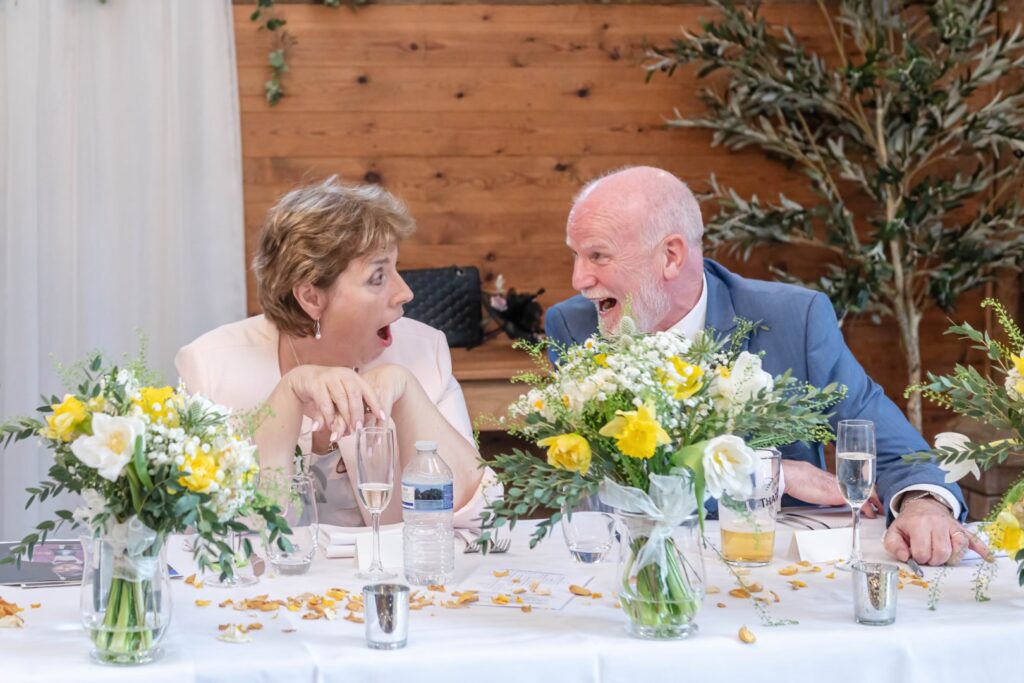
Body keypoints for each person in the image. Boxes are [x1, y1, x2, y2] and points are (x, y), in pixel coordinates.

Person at [544, 166, 987, 566]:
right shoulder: (573, 325)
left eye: (597, 256)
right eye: (575, 255)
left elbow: (894, 447)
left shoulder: (795, 320)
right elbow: (620, 474)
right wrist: (772, 471)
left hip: (779, 574)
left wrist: (923, 504)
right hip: (639, 566)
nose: (578, 279)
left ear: (672, 256)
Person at [176, 177, 491, 527]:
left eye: (396, 269)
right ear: (311, 297)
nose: (405, 293)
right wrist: (289, 395)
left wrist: (407, 390)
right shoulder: (211, 368)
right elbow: (222, 537)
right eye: (378, 276)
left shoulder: (423, 353)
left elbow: (479, 517)